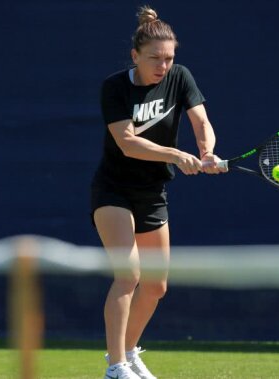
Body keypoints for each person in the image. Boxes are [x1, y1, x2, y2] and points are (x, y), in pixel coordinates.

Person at [91, 6, 225, 379]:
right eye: (155, 59)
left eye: (169, 58)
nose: (163, 66)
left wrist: (206, 151)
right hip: (113, 190)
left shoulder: (180, 78)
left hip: (153, 192)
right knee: (129, 275)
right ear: (135, 56)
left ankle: (129, 353)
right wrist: (176, 154)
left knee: (155, 286)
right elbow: (127, 143)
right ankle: (115, 367)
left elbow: (202, 121)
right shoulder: (114, 87)